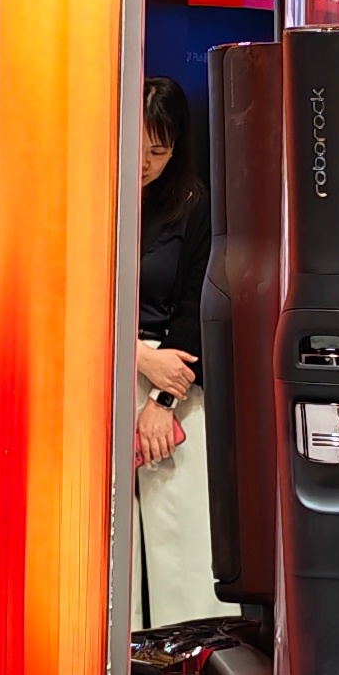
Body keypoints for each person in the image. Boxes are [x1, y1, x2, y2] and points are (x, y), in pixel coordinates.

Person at [132, 73, 217, 629]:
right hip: (106, 368)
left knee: (184, 545)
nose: (144, 163)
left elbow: (196, 308)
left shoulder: (194, 205)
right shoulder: (89, 198)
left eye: (158, 152)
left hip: (175, 379)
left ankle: (190, 666)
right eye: (136, 147)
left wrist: (161, 400)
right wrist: (135, 358)